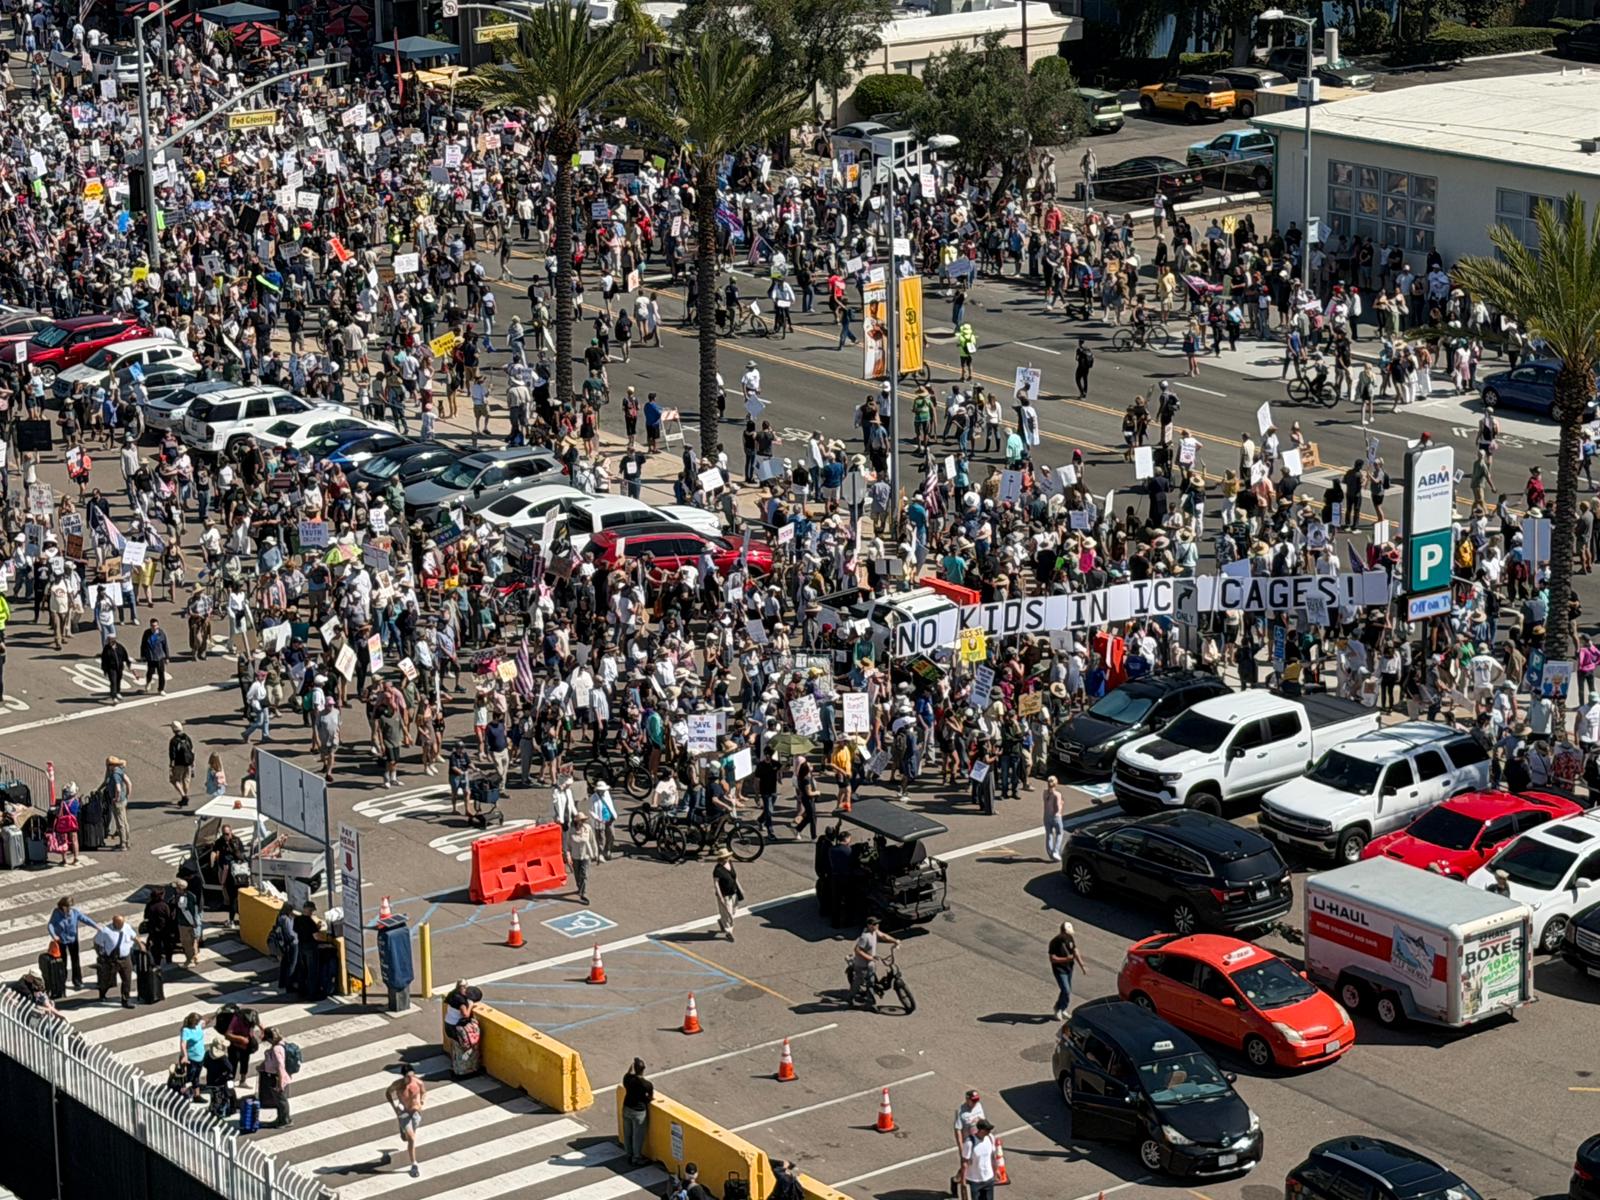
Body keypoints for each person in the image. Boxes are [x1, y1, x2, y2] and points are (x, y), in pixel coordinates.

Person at [48, 895, 102, 991]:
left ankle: (77, 981)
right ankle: (61, 981)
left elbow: (85, 919)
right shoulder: (56, 913)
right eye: (67, 907)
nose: (69, 909)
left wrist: (96, 926)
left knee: (75, 960)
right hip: (61, 940)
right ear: (63, 906)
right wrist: (54, 935)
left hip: (73, 939)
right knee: (62, 962)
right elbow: (51, 924)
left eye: (70, 907)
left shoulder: (74, 912)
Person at [386, 1063, 427, 1178]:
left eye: (412, 1076)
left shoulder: (418, 1082)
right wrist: (394, 1106)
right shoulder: (397, 1085)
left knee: (407, 1138)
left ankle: (403, 1130)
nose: (411, 1079)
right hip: (404, 1113)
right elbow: (387, 1092)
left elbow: (424, 1092)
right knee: (412, 1139)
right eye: (408, 1077)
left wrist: (422, 1102)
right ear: (403, 1076)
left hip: (415, 1113)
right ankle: (414, 1164)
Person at [92, 914, 142, 1008]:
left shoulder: (126, 927)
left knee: (127, 979)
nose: (121, 926)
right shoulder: (105, 931)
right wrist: (100, 953)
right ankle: (102, 992)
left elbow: (134, 937)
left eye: (122, 924)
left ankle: (125, 1000)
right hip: (112, 960)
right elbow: (96, 942)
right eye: (119, 924)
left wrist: (141, 946)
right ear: (114, 922)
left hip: (125, 959)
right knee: (107, 979)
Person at [850, 915, 899, 1005]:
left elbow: (883, 936)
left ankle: (870, 997)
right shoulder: (865, 936)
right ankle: (853, 998)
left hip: (870, 962)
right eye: (874, 924)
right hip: (862, 964)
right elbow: (857, 950)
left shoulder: (874, 931)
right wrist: (870, 958)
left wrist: (895, 941)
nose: (877, 925)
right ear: (869, 925)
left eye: (877, 923)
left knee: (872, 979)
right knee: (862, 981)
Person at [1049, 921, 1086, 1019]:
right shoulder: (1054, 942)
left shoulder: (1070, 938)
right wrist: (1066, 959)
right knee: (1066, 990)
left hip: (1069, 968)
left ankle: (1063, 1008)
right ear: (1062, 932)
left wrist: (1081, 964)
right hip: (1059, 970)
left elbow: (1075, 950)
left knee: (1067, 991)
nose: (1068, 936)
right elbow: (1052, 959)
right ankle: (1058, 1008)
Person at [622, 1058, 654, 1166]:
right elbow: (650, 1098)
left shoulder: (627, 1079)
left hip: (626, 1108)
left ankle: (629, 1154)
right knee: (637, 1136)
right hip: (639, 1111)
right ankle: (636, 1157)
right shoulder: (647, 1084)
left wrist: (631, 1068)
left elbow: (628, 1074)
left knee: (627, 1133)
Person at [258, 1027, 291, 1128]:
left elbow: (280, 1066)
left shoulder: (277, 1049)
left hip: (277, 1078)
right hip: (276, 1076)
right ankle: (282, 1118)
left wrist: (280, 1083)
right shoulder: (280, 1044)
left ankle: (285, 1121)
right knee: (279, 1100)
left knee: (281, 1100)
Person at [564, 810, 599, 904]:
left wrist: (596, 854)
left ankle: (583, 893)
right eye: (581, 820)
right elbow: (567, 846)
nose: (583, 822)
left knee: (584, 874)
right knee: (577, 875)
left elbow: (593, 841)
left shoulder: (588, 829)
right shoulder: (571, 831)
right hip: (575, 856)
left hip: (586, 856)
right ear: (577, 821)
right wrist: (568, 856)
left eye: (583, 820)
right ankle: (580, 887)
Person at [954, 1089, 986, 1191]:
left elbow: (983, 1122)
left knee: (978, 1161)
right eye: (973, 1100)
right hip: (968, 1142)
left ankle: (978, 1182)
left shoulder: (979, 1106)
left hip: (979, 1140)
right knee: (966, 1165)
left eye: (977, 1100)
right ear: (967, 1099)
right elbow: (958, 1130)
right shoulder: (961, 1111)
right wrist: (961, 1147)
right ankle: (956, 1180)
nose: (975, 1102)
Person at [962, 1119, 999, 1200]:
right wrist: (963, 1181)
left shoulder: (990, 1138)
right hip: (974, 1181)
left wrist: (996, 1171)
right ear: (981, 1130)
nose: (989, 1131)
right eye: (987, 1130)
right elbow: (965, 1162)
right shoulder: (969, 1143)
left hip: (988, 1179)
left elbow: (993, 1157)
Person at [712, 849, 743, 942]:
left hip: (733, 892)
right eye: (724, 858)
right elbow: (716, 884)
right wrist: (720, 897)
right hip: (725, 895)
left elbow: (734, 876)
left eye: (727, 857)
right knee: (728, 914)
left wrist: (740, 887)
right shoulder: (717, 870)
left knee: (733, 910)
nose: (726, 859)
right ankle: (729, 932)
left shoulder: (730, 863)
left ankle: (722, 921)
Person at [176, 1012, 207, 1101]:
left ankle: (197, 1095)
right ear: (193, 1022)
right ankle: (180, 1091)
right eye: (197, 1022)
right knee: (189, 1077)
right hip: (191, 1059)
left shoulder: (198, 1025)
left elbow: (205, 1022)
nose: (198, 1023)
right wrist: (185, 1056)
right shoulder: (186, 1030)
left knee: (196, 1076)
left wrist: (213, 1016)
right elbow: (183, 1044)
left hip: (200, 1057)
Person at [103, 755, 132, 849]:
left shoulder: (115, 774)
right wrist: (127, 795)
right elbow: (129, 783)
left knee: (120, 823)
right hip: (123, 800)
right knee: (125, 821)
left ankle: (122, 844)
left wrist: (116, 798)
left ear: (111, 765)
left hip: (118, 802)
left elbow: (118, 789)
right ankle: (127, 842)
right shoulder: (120, 770)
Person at [168, 720, 195, 808]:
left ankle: (184, 796)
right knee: (186, 780)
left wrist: (171, 765)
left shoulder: (174, 741)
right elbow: (192, 750)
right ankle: (185, 795)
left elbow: (172, 754)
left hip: (179, 763)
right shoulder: (187, 738)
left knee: (175, 780)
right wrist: (193, 763)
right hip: (188, 762)